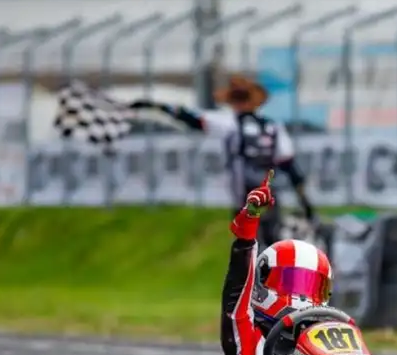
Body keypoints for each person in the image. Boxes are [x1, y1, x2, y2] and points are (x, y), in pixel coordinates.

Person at [135, 75, 314, 248]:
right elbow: (290, 167)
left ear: (233, 102)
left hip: (242, 193)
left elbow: (190, 118)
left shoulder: (229, 123)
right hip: (268, 192)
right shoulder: (273, 126)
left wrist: (156, 107)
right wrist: (306, 204)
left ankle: (253, 276)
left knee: (247, 245)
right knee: (272, 242)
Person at [220, 170, 332, 355]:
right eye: (293, 281)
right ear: (263, 284)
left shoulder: (321, 342)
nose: (303, 295)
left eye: (313, 285)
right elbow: (235, 296)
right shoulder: (249, 339)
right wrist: (247, 227)